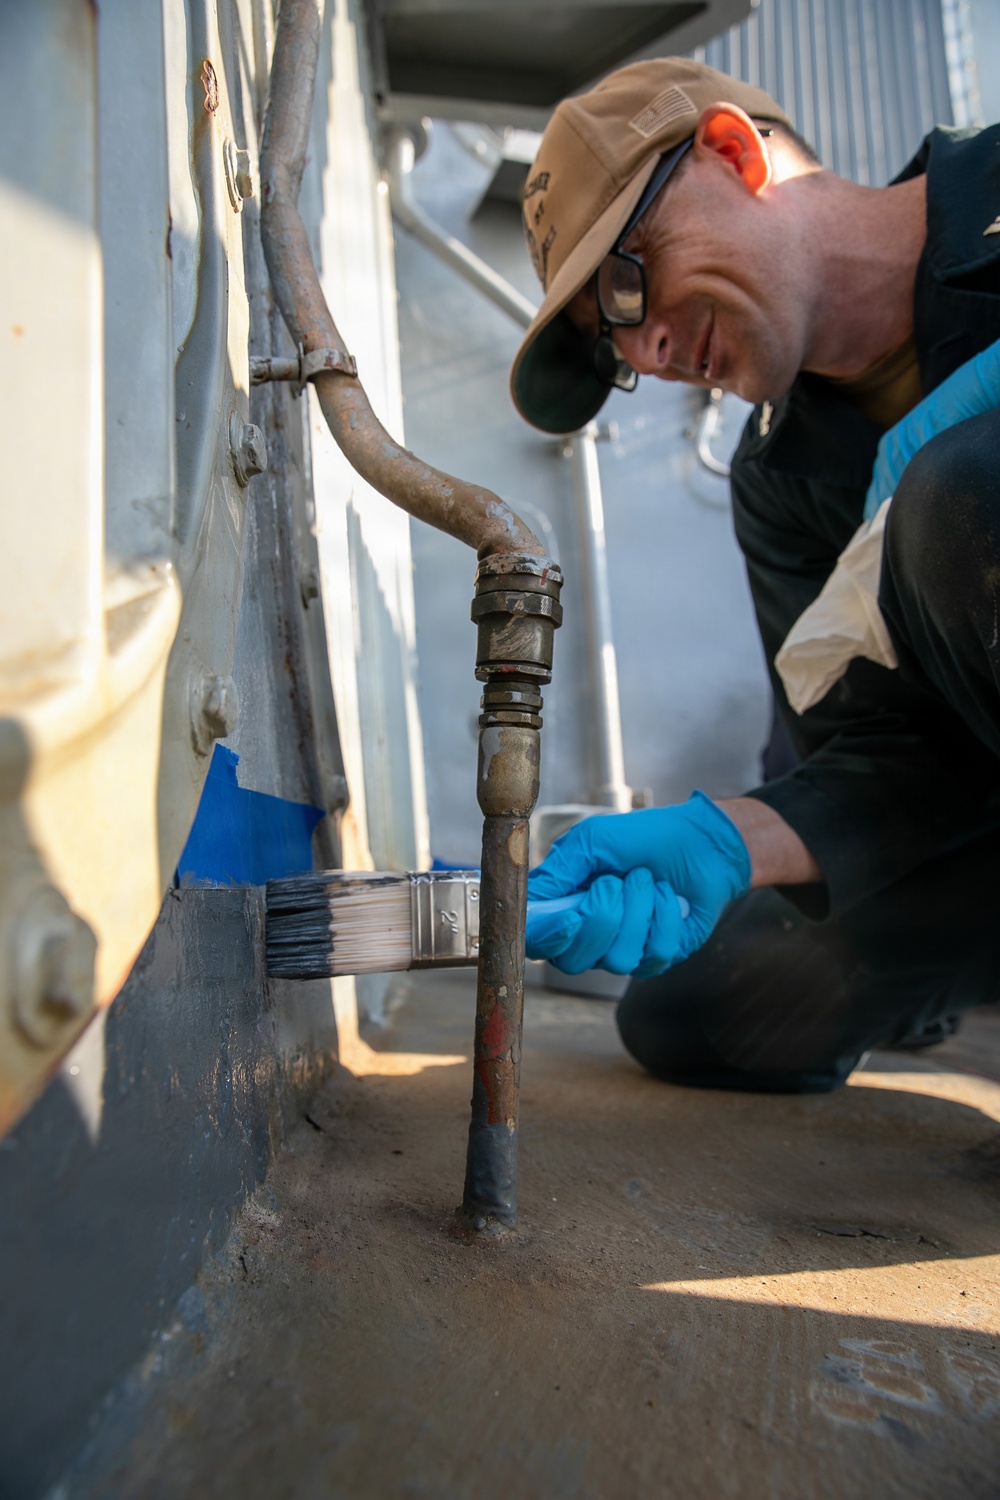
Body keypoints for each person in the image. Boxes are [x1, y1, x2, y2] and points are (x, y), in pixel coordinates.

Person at [512, 58, 1000, 1093]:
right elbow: (893, 758)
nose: (646, 346)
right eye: (615, 352)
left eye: (624, 281)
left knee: (966, 494)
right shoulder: (778, 486)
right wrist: (725, 839)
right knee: (705, 1006)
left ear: (733, 152)